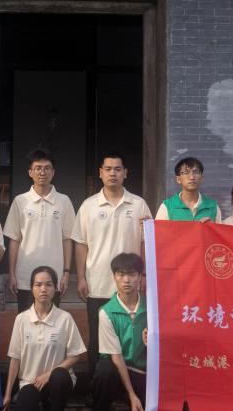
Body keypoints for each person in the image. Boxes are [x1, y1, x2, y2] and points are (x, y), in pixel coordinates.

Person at [71, 153, 151, 376]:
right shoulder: (88, 206)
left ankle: (130, 383)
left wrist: (144, 275)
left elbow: (146, 242)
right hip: (98, 283)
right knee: (97, 339)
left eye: (117, 169)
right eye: (108, 169)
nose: (112, 173)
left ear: (125, 173)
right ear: (100, 173)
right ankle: (98, 385)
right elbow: (81, 244)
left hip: (130, 285)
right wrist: (81, 277)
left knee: (132, 338)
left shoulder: (138, 204)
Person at [2, 266, 86, 411]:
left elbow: (75, 355)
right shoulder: (21, 319)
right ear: (31, 289)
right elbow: (15, 358)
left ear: (55, 288)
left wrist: (49, 374)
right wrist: (8, 394)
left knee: (59, 376)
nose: (43, 289)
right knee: (25, 405)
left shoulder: (65, 318)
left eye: (48, 284)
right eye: (38, 285)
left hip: (59, 382)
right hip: (30, 382)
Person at [4, 150, 76, 313]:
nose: (42, 172)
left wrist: (66, 273)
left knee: (52, 321)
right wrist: (12, 273)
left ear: (53, 172)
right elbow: (14, 240)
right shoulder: (20, 201)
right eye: (37, 168)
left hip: (54, 276)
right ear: (30, 172)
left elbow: (67, 239)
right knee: (26, 320)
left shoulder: (64, 201)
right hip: (25, 276)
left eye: (47, 168)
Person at [92, 253, 147, 411]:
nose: (126, 280)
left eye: (132, 274)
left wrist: (152, 343)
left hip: (141, 372)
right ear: (114, 277)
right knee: (105, 371)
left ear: (140, 277)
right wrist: (131, 394)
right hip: (117, 370)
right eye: (121, 274)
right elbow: (116, 356)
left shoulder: (152, 307)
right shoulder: (106, 312)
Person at [154, 157, 221, 222]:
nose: (192, 177)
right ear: (178, 179)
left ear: (201, 178)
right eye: (186, 173)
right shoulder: (167, 206)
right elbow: (158, 229)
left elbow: (219, 229)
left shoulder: (212, 206)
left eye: (195, 172)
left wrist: (210, 226)